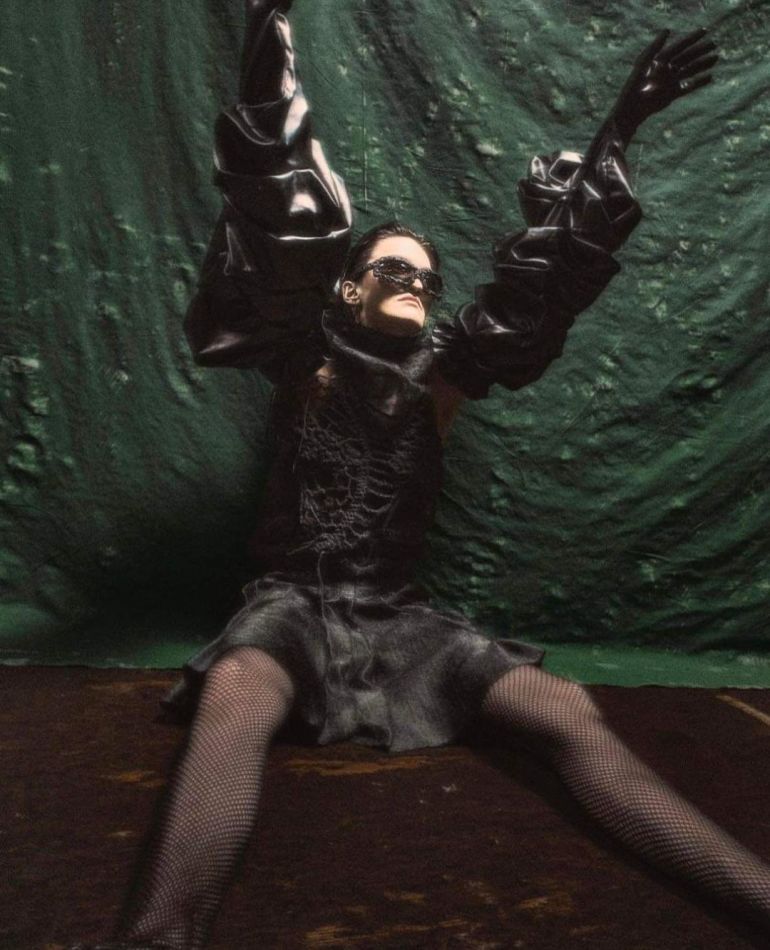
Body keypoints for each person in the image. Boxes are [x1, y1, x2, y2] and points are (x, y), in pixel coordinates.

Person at [71, 2, 770, 948]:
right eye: (395, 271)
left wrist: (624, 122)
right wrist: (266, 37)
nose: (417, 285)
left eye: (428, 280)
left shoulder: (446, 373)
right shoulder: (302, 355)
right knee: (235, 697)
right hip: (289, 610)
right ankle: (159, 935)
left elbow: (546, 281)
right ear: (350, 286)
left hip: (402, 622)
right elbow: (276, 215)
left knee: (565, 708)